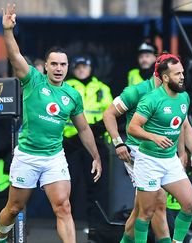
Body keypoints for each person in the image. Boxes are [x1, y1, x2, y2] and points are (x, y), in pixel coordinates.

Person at [0, 4, 102, 243]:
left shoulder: (72, 95)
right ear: (45, 66)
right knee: (13, 208)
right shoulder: (33, 80)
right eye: (54, 64)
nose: (59, 69)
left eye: (63, 65)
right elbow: (14, 56)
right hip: (27, 156)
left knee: (63, 207)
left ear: (67, 67)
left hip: (54, 157)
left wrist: (95, 155)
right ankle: (0, 237)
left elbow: (83, 128)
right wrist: (8, 31)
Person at [127, 53, 192, 243]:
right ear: (166, 77)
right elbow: (133, 127)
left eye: (182, 73)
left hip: (170, 161)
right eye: (177, 74)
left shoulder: (184, 97)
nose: (182, 77)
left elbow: (185, 126)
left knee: (190, 204)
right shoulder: (151, 99)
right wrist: (153, 136)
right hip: (149, 161)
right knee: (146, 213)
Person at [103, 56, 174, 242]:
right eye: (174, 73)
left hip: (160, 155)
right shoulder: (137, 91)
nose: (179, 77)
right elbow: (108, 114)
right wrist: (118, 142)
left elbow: (181, 126)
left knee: (143, 208)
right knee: (157, 202)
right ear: (162, 74)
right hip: (137, 154)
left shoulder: (172, 94)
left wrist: (185, 152)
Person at [63, 56, 112, 229]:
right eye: (78, 67)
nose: (81, 70)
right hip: (70, 143)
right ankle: (67, 222)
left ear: (91, 68)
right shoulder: (65, 87)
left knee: (97, 184)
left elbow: (110, 115)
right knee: (68, 183)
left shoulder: (102, 89)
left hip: (95, 142)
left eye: (85, 66)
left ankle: (96, 224)